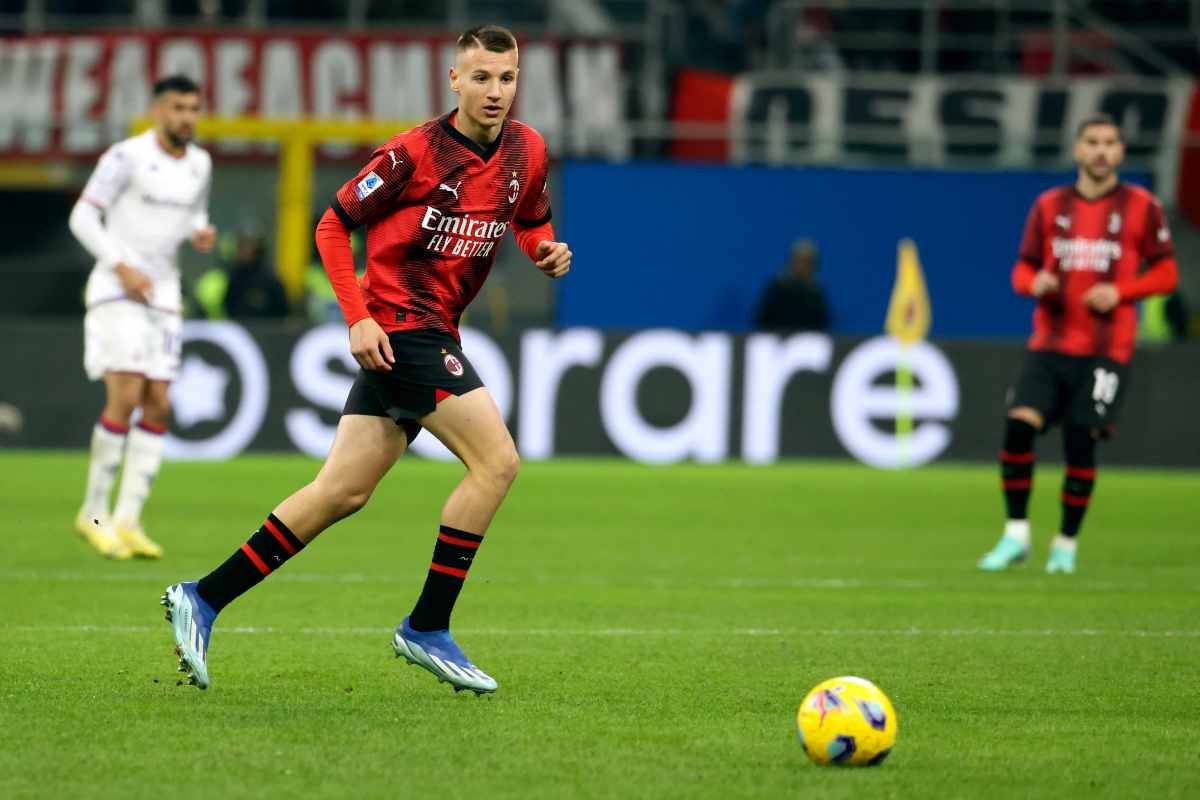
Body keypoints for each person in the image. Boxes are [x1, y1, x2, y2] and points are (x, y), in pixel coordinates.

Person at [161, 25, 572, 693]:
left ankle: (202, 597)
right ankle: (427, 626)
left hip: (432, 330)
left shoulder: (527, 150)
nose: (495, 90)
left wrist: (544, 250)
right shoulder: (415, 153)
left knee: (341, 492)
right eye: (481, 77)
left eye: (506, 78)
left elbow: (528, 219)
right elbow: (331, 224)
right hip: (405, 330)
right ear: (455, 80)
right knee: (497, 463)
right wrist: (356, 316)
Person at [978, 113, 1177, 575]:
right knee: (1019, 426)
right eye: (1092, 142)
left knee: (1079, 439)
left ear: (1121, 151)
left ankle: (1065, 544)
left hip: (1106, 351)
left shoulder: (1142, 206)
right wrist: (1035, 283)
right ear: (1077, 149)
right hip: (1049, 343)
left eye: (1110, 143)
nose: (1101, 151)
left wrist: (1121, 291)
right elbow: (1022, 269)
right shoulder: (1049, 205)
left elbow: (1167, 273)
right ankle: (1016, 534)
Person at [68, 74, 215, 560]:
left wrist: (199, 233)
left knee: (159, 404)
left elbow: (193, 214)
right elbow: (82, 217)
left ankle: (128, 519)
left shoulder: (200, 164)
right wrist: (121, 266)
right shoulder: (125, 157)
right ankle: (93, 515)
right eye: (178, 108)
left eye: (193, 108)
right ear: (157, 111)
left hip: (163, 293)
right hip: (117, 289)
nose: (187, 117)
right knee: (126, 395)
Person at [754, 239, 830, 332]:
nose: (802, 266)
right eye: (798, 261)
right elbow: (761, 322)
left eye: (807, 262)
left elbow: (822, 327)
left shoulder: (817, 295)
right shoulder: (776, 290)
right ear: (791, 262)